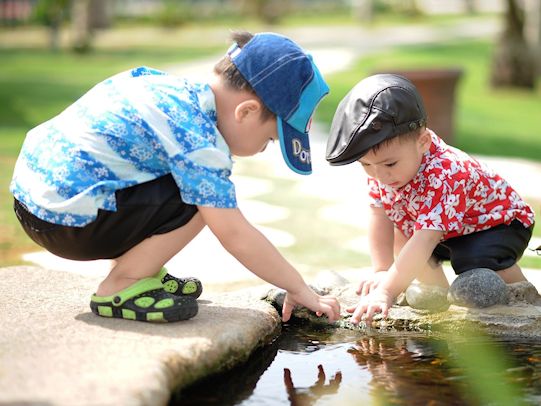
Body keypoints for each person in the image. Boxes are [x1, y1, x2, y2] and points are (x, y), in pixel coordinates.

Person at [10, 31, 340, 324]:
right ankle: (122, 285)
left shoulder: (171, 90)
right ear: (247, 112)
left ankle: (142, 270)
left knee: (191, 184)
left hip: (34, 202)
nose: (262, 149)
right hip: (67, 223)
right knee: (205, 199)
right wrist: (297, 287)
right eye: (270, 140)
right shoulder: (198, 139)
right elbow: (234, 234)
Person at [325, 73, 535, 325]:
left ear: (423, 142)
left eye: (389, 163)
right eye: (366, 165)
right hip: (446, 229)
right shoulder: (384, 169)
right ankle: (436, 299)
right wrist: (382, 270)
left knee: (473, 260)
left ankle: (525, 299)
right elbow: (379, 215)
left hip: (498, 225)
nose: (379, 175)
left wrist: (386, 291)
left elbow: (426, 239)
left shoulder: (446, 173)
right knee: (403, 234)